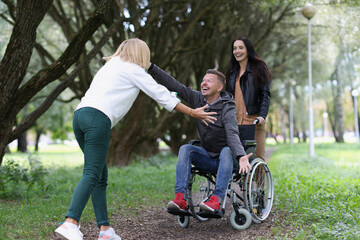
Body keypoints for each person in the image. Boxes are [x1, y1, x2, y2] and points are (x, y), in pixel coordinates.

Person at [54, 38, 217, 240]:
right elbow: (161, 94)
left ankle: (105, 230)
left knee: (99, 175)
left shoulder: (110, 65)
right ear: (141, 54)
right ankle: (71, 222)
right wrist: (192, 112)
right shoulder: (133, 70)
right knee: (91, 173)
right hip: (97, 119)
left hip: (80, 116)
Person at [148, 64, 253, 213]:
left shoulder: (227, 107)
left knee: (226, 150)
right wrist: (151, 68)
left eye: (209, 81)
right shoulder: (198, 99)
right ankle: (180, 198)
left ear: (219, 87)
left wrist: (241, 156)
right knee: (186, 149)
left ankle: (216, 200)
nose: (204, 83)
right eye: (203, 80)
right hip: (208, 158)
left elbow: (232, 133)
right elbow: (174, 85)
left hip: (227, 160)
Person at [225, 36, 271, 162]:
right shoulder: (232, 71)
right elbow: (228, 97)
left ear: (248, 50)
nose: (237, 51)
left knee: (258, 158)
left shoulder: (259, 68)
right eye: (234, 48)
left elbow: (265, 95)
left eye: (241, 47)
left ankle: (261, 182)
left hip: (254, 121)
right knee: (235, 159)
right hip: (235, 123)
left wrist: (262, 115)